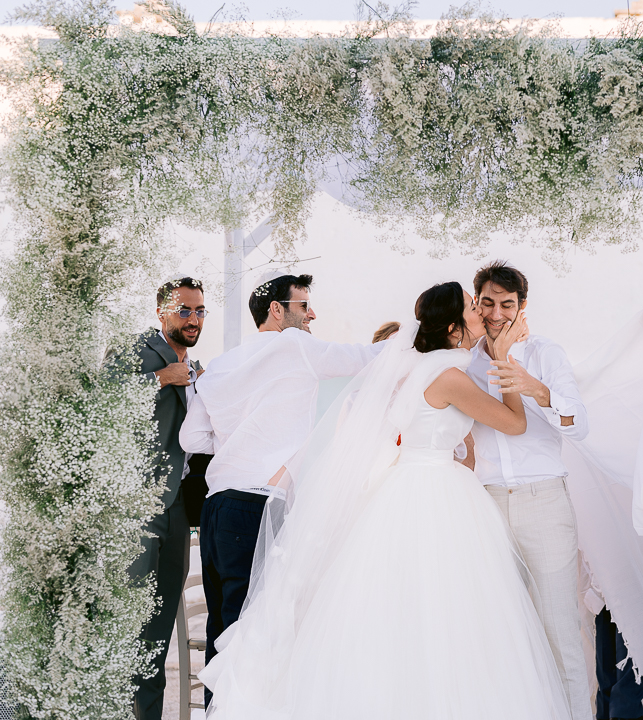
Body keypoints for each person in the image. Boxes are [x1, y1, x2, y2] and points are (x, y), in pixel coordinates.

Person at [197, 282, 572, 720]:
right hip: (433, 492)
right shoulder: (448, 376)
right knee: (446, 612)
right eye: (473, 307)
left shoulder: (421, 369)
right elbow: (513, 424)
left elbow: (447, 439)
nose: (482, 313)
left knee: (410, 609)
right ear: (454, 327)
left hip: (411, 487)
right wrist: (506, 362)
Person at [178, 273, 382, 705]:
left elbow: (191, 441)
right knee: (254, 633)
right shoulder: (295, 347)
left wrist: (238, 439)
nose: (312, 314)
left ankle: (219, 712)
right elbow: (368, 358)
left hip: (217, 510)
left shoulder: (220, 367)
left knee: (223, 631)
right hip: (257, 509)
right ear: (277, 309)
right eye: (304, 305)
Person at [467, 260, 592, 720]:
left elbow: (579, 426)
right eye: (487, 304)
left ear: (522, 309)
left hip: (544, 503)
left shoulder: (546, 353)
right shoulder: (464, 361)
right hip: (486, 505)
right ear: (475, 303)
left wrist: (536, 389)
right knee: (502, 635)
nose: (496, 314)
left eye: (506, 305)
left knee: (561, 633)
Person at [126, 276, 208, 720]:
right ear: (161, 312)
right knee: (133, 620)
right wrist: (161, 378)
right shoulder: (136, 350)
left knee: (158, 626)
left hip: (178, 506)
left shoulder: (199, 367)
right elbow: (104, 403)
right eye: (184, 310)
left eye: (199, 311)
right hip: (139, 504)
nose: (193, 319)